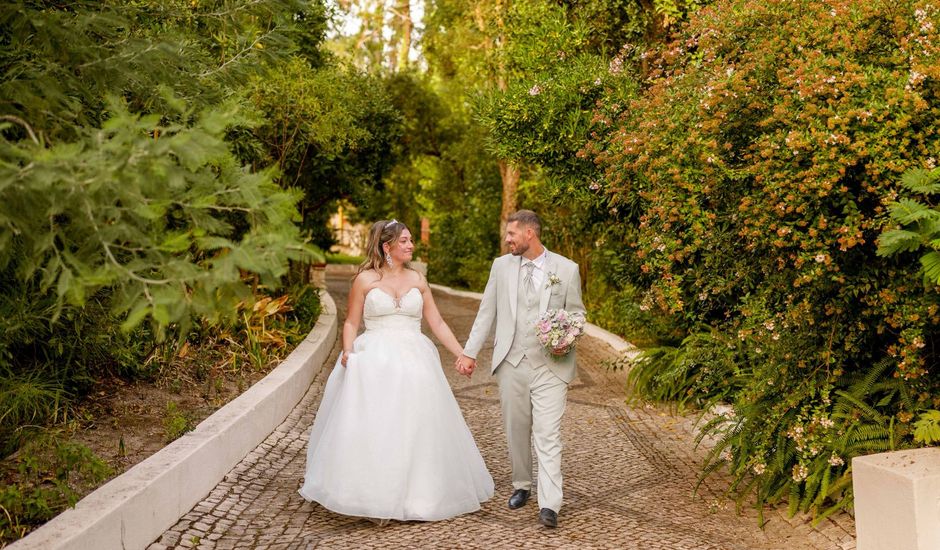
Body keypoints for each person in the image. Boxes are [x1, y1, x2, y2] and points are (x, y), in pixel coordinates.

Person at [299, 219, 494, 522]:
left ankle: (419, 496)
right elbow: (350, 322)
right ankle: (370, 493)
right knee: (378, 426)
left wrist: (463, 354)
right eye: (404, 241)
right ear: (386, 246)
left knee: (418, 426)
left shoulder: (417, 279)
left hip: (416, 360)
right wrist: (348, 351)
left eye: (411, 240)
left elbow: (437, 323)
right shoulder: (365, 280)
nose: (410, 245)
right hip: (374, 360)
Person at [456, 210, 586, 528]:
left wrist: (566, 338)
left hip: (551, 366)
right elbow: (486, 311)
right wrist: (469, 352)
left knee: (548, 434)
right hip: (511, 362)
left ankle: (550, 504)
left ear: (530, 233)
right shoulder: (501, 267)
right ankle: (522, 485)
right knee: (516, 430)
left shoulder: (567, 270)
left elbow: (578, 315)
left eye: (511, 234)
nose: (507, 239)